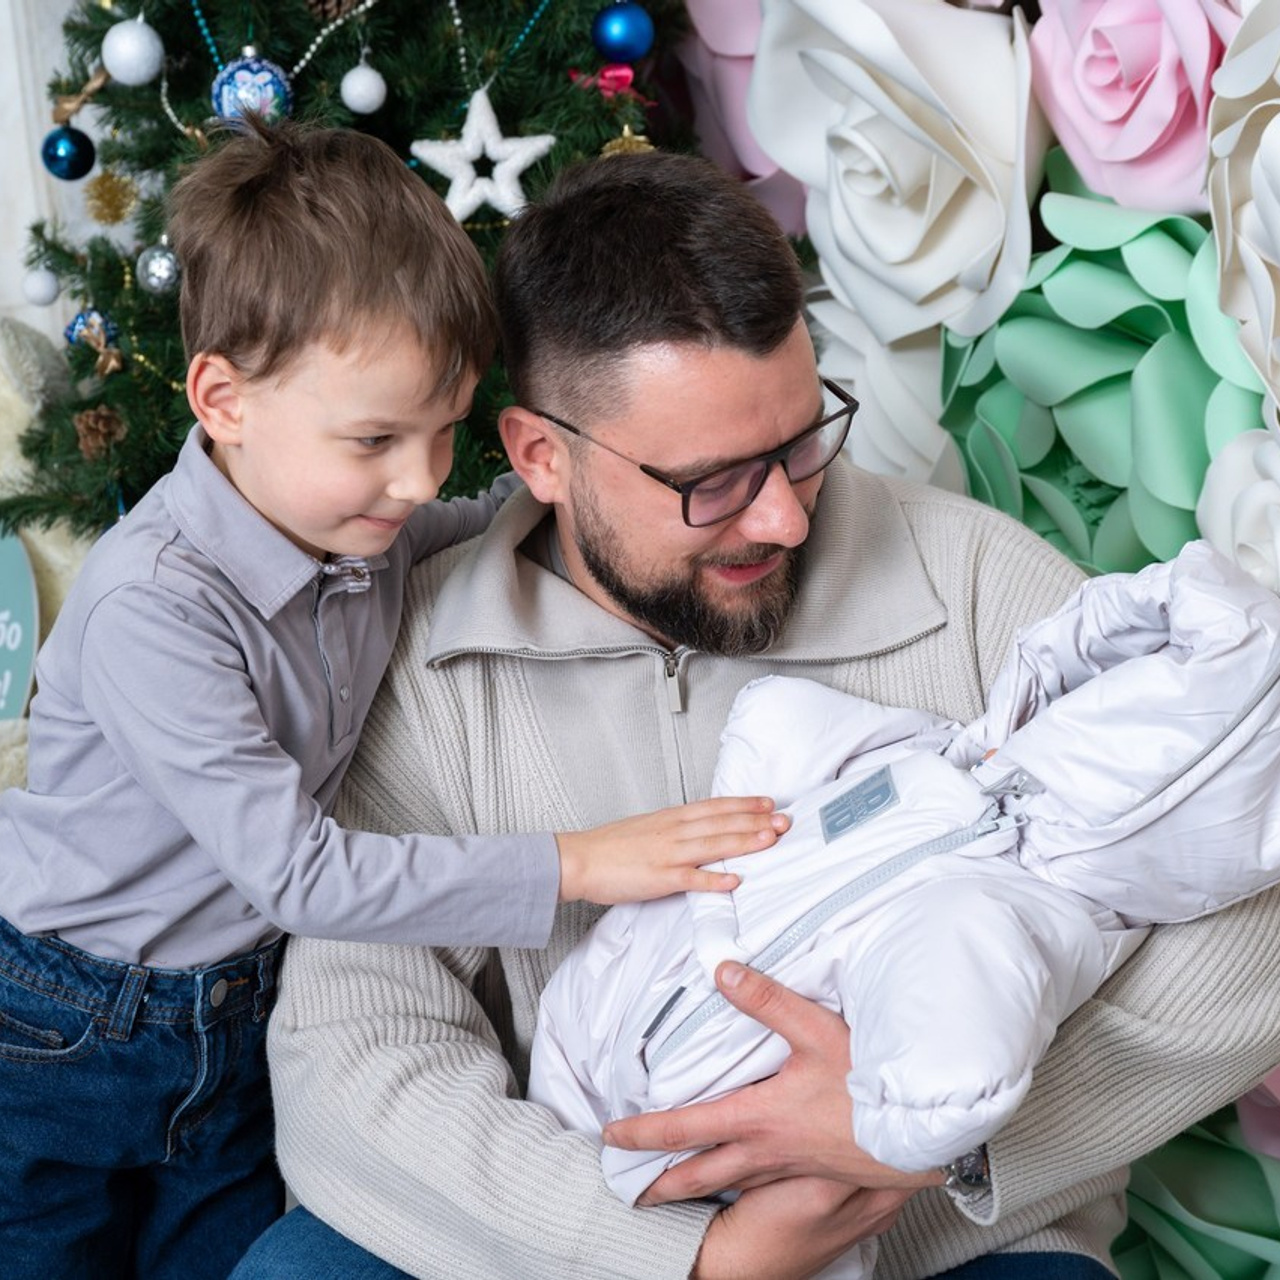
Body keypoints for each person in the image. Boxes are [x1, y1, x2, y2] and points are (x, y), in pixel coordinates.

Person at [236, 148, 1280, 1280]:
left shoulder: (980, 584)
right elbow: (356, 1051)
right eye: (714, 480)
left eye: (800, 441)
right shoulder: (419, 664)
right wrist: (690, 1257)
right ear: (541, 455)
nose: (783, 517)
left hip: (956, 1248)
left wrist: (909, 1136)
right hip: (577, 1230)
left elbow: (1254, 931)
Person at [0, 124, 787, 1280]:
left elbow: (485, 518)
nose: (418, 478)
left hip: (237, 1010)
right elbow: (302, 873)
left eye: (443, 430)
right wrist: (577, 862)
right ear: (221, 398)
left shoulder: (360, 526)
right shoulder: (153, 609)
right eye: (374, 438)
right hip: (67, 1022)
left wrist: (622, 486)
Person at [527, 537, 1280, 1280]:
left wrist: (891, 1133)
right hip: (601, 996)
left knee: (820, 1216)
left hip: (734, 1141)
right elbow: (783, 721)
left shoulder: (1001, 915)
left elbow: (948, 1079)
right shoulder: (939, 759)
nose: (781, 515)